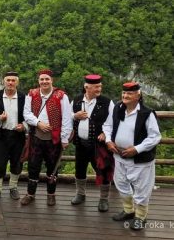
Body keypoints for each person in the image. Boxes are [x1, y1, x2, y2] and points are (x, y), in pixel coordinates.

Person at [103, 82, 161, 231]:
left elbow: (155, 137)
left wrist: (136, 149)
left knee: (142, 189)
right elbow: (107, 126)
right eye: (123, 93)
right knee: (121, 184)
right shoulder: (118, 108)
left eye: (129, 93)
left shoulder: (146, 113)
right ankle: (129, 210)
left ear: (138, 95)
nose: (125, 96)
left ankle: (140, 217)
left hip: (139, 160)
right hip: (119, 156)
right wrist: (109, 141)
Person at [21, 69, 72, 206]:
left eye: (47, 79)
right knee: (33, 166)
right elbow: (26, 113)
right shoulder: (32, 94)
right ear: (38, 81)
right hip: (36, 136)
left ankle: (51, 194)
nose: (44, 81)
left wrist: (65, 138)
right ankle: (30, 194)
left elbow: (67, 118)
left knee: (52, 167)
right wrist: (38, 123)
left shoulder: (61, 96)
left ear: (52, 81)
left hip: (53, 139)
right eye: (42, 79)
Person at [70, 74, 115, 212]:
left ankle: (103, 199)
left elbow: (113, 122)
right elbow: (67, 117)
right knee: (80, 169)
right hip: (80, 143)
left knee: (102, 170)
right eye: (96, 86)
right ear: (86, 87)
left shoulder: (108, 102)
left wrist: (105, 133)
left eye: (100, 86)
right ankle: (80, 194)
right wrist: (74, 116)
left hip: (99, 145)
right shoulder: (76, 101)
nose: (99, 88)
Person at [0, 71, 26, 203]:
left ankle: (13, 187)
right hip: (0, 135)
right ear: (4, 81)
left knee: (16, 162)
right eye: (8, 80)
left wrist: (24, 126)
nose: (10, 83)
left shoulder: (23, 97)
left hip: (17, 135)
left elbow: (29, 115)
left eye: (13, 80)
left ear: (17, 82)